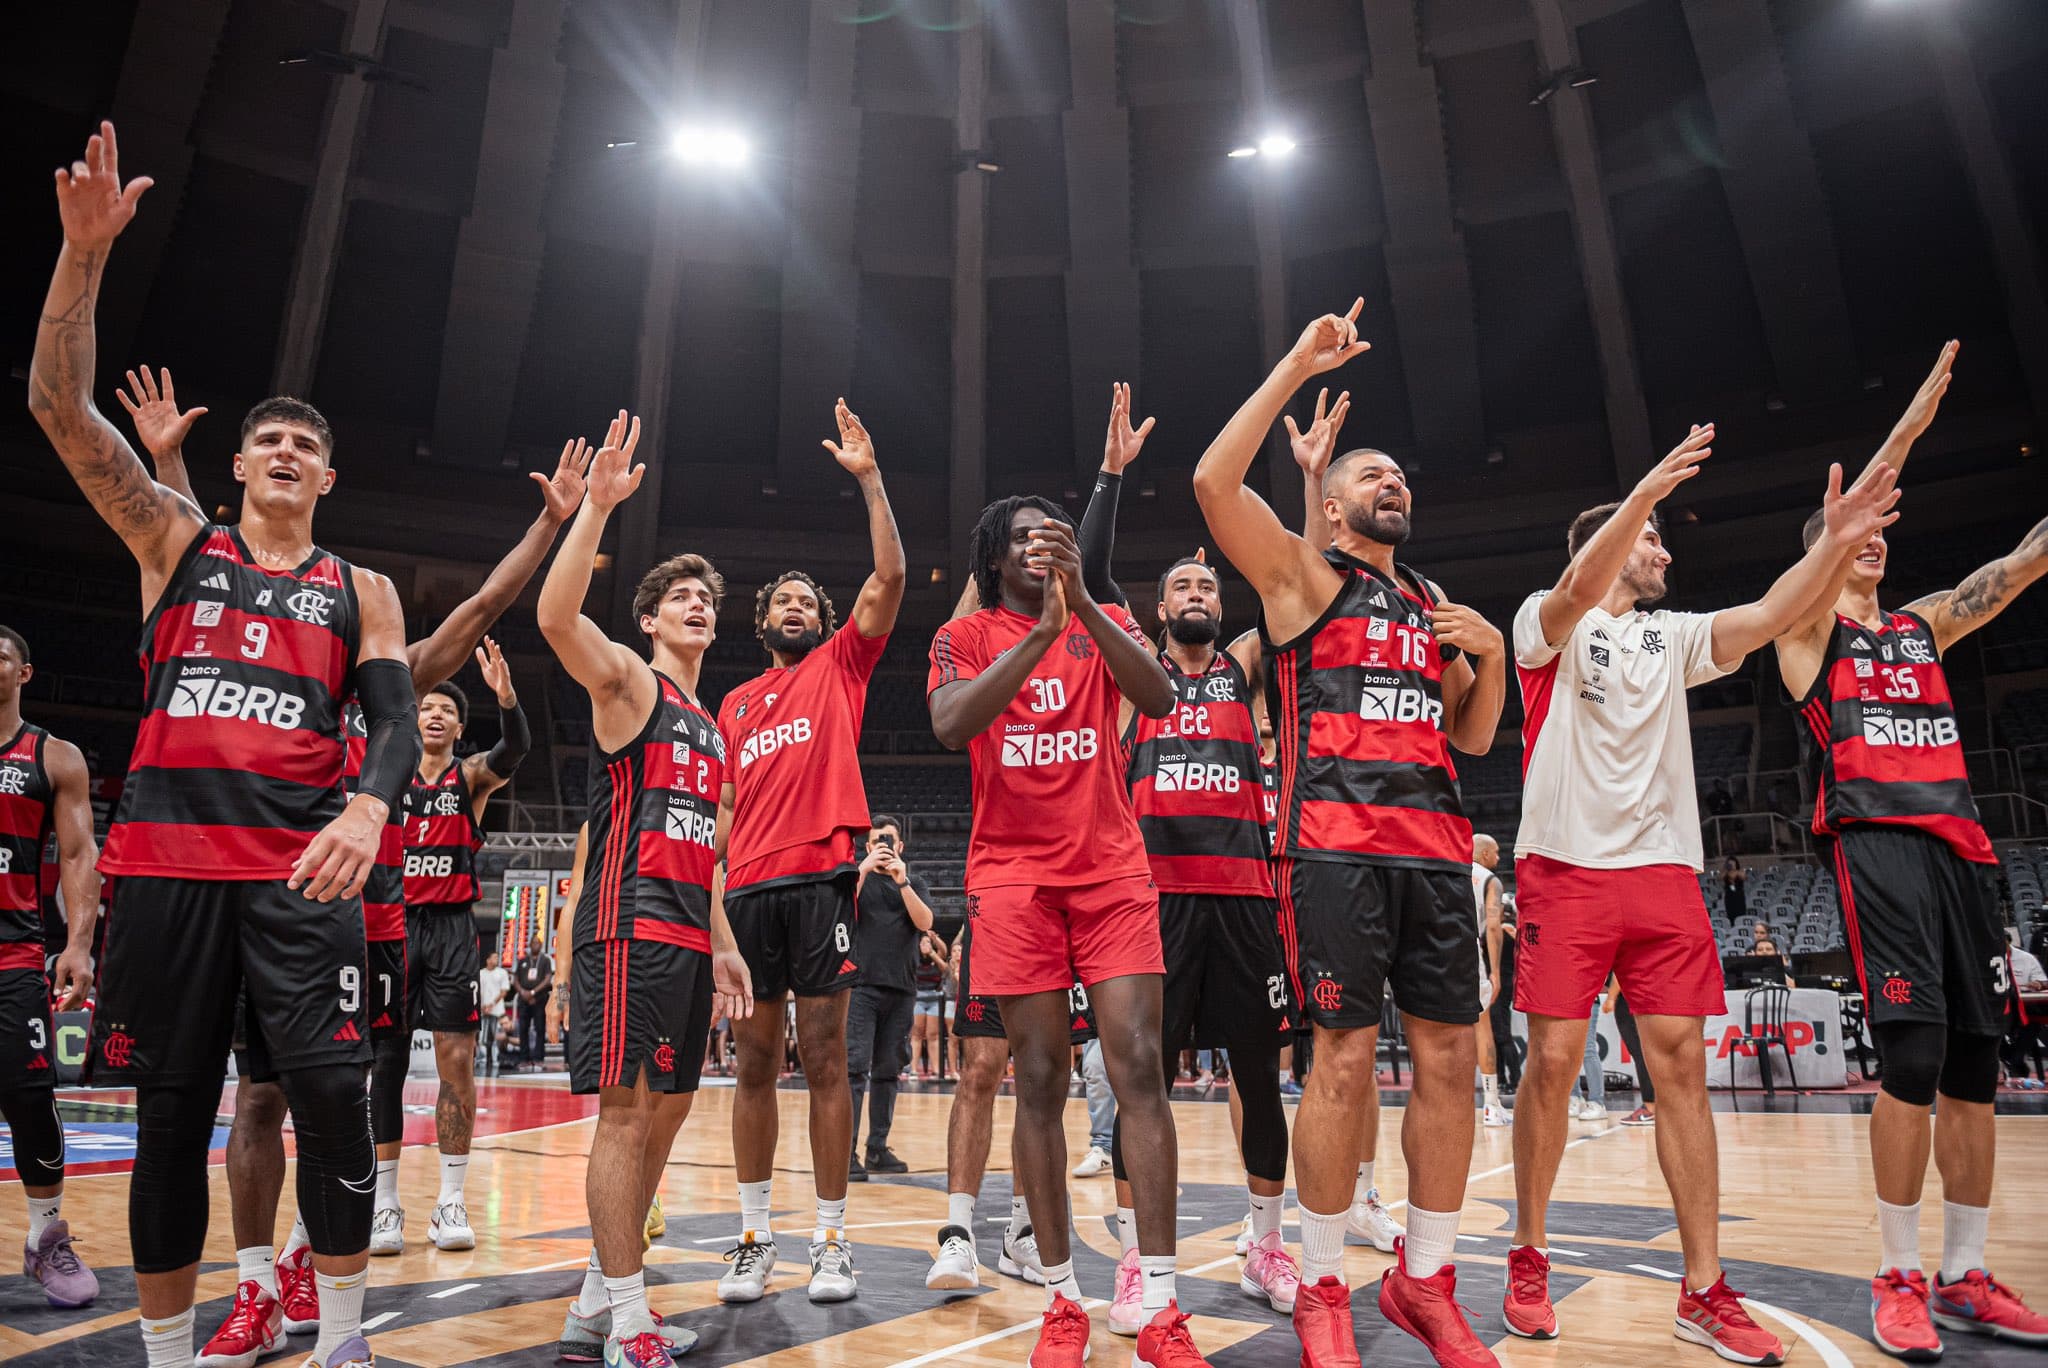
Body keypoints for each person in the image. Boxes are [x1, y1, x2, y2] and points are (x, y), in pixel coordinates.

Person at [30, 121, 416, 1368]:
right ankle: (166, 1352)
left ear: (328, 475)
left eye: (308, 443)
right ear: (236, 464)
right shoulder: (172, 545)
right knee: (168, 1121)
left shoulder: (360, 586)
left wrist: (365, 810)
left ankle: (343, 1342)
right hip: (167, 874)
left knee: (333, 1112)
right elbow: (57, 406)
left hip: (299, 875)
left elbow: (399, 722)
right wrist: (82, 257)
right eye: (269, 440)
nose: (288, 452)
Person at [121, 364, 587, 1359]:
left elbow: (475, 615)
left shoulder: (372, 655)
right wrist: (165, 458)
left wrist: (546, 529)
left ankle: (307, 1266)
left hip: (356, 899)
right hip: (255, 876)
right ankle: (256, 1285)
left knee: (331, 1097)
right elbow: (185, 553)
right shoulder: (222, 601)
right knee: (251, 1098)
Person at [1505, 398, 1902, 1363]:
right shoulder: (1544, 626)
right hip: (1564, 867)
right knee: (1554, 1066)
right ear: (1610, 540)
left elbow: (1769, 616)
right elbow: (1570, 592)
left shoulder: (1671, 636)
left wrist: (1834, 545)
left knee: (1680, 1068)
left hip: (1663, 875)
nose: (1667, 556)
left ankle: (1704, 1288)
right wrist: (1638, 494)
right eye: (1652, 541)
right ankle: (1527, 1253)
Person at [1193, 300, 1507, 1366]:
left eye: (1399, 478)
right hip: (1334, 848)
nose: (1394, 486)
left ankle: (1424, 1280)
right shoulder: (1302, 581)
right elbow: (1209, 486)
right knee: (1338, 1062)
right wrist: (1291, 361)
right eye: (1371, 478)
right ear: (1329, 512)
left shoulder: (1428, 600)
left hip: (1434, 851)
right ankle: (1325, 1281)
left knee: (1452, 1062)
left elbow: (1469, 739)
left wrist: (1491, 660)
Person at [1771, 342, 2048, 1357]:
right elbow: (1862, 501)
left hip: (1960, 851)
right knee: (1913, 1059)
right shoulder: (1803, 634)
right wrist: (1905, 435)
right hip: (1875, 846)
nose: (1877, 539)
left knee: (1974, 1066)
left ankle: (1962, 1273)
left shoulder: (1922, 629)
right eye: (1858, 531)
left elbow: (2015, 568)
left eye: (1885, 532)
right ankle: (1892, 1272)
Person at [928, 492, 1212, 1368]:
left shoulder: (1106, 616)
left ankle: (1160, 1307)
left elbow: (1162, 695)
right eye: (1020, 539)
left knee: (1138, 1067)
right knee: (1040, 1080)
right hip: (1012, 880)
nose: (1036, 549)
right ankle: (1061, 1302)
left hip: (1111, 869)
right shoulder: (964, 636)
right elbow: (951, 724)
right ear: (993, 558)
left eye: (1050, 537)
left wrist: (1083, 607)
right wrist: (1042, 636)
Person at [537, 410, 753, 1368]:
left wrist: (731, 942)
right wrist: (596, 510)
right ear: (650, 619)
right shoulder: (628, 682)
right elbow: (552, 617)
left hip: (689, 935)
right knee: (626, 1119)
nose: (699, 605)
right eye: (681, 598)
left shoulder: (711, 727)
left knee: (664, 1115)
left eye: (708, 598)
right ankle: (629, 1322)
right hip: (625, 928)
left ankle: (596, 1301)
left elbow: (707, 853)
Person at [707, 401, 903, 1304]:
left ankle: (829, 1239)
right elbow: (720, 815)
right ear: (761, 621)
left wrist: (868, 479)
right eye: (780, 601)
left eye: (806, 602)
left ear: (821, 621)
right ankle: (753, 1236)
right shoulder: (735, 704)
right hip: (744, 893)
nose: (794, 608)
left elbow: (889, 578)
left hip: (820, 881)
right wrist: (710, 911)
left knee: (826, 1059)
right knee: (752, 1064)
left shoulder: (839, 666)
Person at [386, 645, 529, 1253]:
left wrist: (506, 698)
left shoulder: (468, 776)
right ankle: (384, 1203)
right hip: (392, 925)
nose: (436, 715)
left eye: (447, 709)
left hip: (450, 930)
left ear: (460, 727)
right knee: (384, 1066)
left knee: (456, 1065)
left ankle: (449, 1202)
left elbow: (515, 749)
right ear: (414, 719)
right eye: (427, 708)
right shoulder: (386, 774)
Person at [0, 627, 102, 1308]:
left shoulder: (51, 755)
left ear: (24, 672)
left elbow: (75, 854)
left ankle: (45, 1238)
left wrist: (78, 944)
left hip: (12, 954)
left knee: (31, 1100)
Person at [845, 815, 935, 1179]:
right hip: (861, 987)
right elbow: (840, 906)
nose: (882, 845)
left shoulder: (913, 883)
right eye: (874, 841)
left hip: (901, 989)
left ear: (900, 846)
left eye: (889, 840)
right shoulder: (857, 879)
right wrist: (863, 869)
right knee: (854, 1070)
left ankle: (877, 1148)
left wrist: (902, 882)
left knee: (887, 1072)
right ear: (866, 847)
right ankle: (845, 1153)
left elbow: (925, 922)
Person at [1472, 836, 1509, 1128]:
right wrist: (1495, 971)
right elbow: (1494, 926)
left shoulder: (1451, 868)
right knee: (1482, 1025)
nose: (1498, 858)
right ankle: (1491, 1105)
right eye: (1495, 853)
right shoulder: (1490, 880)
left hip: (1433, 949)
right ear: (1484, 853)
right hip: (1468, 950)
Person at [514, 936, 555, 1071]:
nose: (536, 945)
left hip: (539, 999)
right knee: (523, 1029)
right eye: (533, 943)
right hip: (523, 999)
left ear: (541, 945)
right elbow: (515, 979)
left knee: (540, 1029)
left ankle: (538, 1059)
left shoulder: (545, 960)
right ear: (530, 945)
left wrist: (532, 993)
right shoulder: (523, 961)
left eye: (538, 943)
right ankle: (524, 1059)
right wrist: (523, 992)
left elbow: (548, 979)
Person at [478, 952, 511, 1077]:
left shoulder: (502, 973)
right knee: (482, 1038)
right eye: (494, 957)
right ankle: (482, 1060)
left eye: (498, 957)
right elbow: (479, 991)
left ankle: (496, 1061)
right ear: (487, 959)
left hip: (497, 1011)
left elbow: (504, 992)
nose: (496, 959)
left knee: (495, 1037)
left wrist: (492, 1004)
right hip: (483, 1010)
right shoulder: (481, 973)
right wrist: (482, 1005)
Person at [1719, 857, 1748, 928]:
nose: (1731, 865)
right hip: (1729, 897)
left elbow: (1744, 877)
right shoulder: (1725, 872)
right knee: (1730, 915)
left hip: (1739, 896)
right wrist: (1726, 869)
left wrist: (1734, 870)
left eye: (1733, 863)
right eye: (1729, 863)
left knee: (1740, 914)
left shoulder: (1740, 871)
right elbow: (1719, 878)